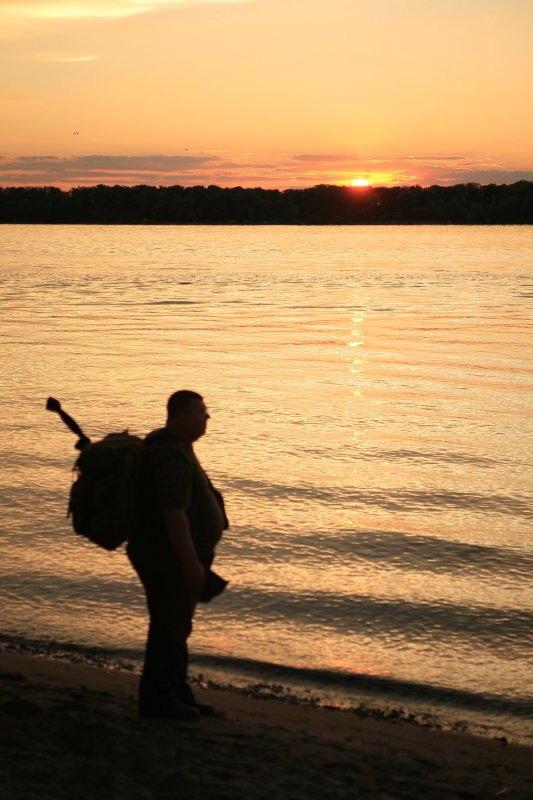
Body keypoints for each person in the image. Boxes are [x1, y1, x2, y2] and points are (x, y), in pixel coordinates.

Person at [127, 390, 228, 720]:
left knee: (177, 626)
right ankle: (159, 701)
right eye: (202, 413)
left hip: (169, 553)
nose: (207, 418)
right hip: (167, 556)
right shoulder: (170, 455)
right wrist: (190, 563)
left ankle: (178, 694)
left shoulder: (173, 446)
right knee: (168, 628)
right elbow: (174, 513)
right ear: (182, 418)